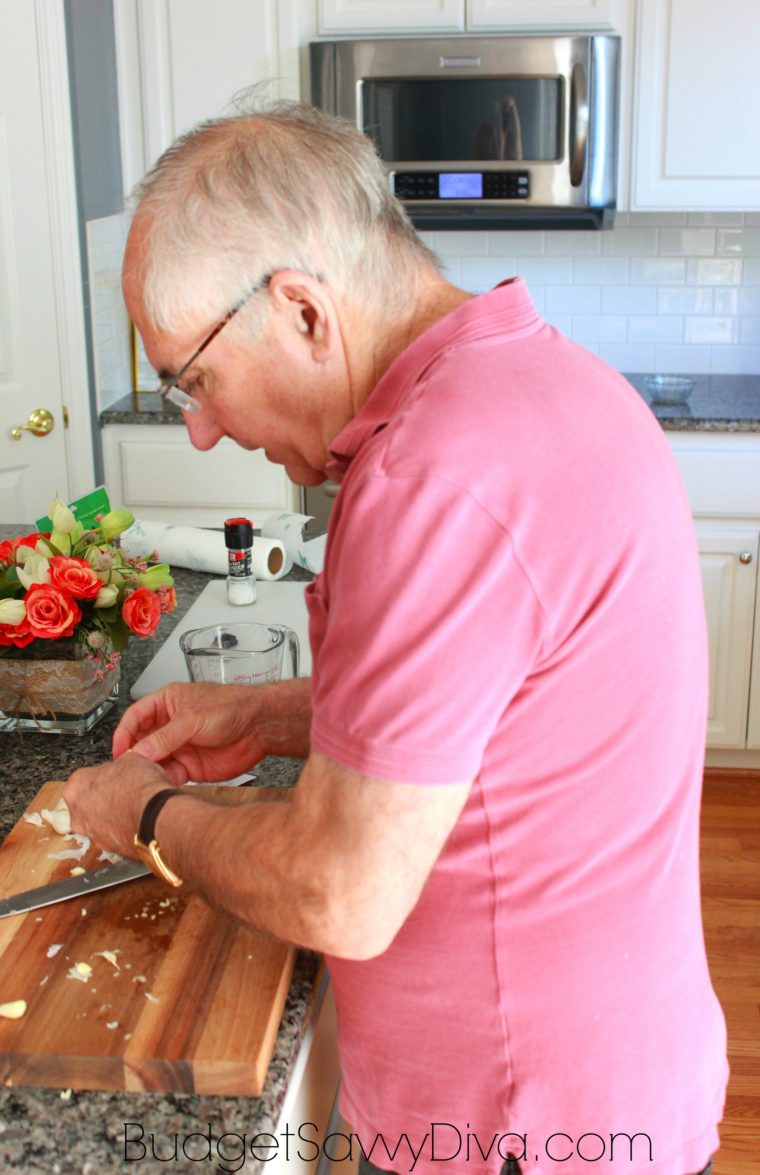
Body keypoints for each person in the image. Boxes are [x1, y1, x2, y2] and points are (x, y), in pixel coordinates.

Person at [63, 100, 726, 1175]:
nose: (200, 426)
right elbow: (509, 709)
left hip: (509, 1124)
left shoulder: (433, 473)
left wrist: (143, 813)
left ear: (303, 311)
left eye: (193, 377)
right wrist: (273, 714)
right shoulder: (549, 382)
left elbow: (341, 891)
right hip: (613, 1085)